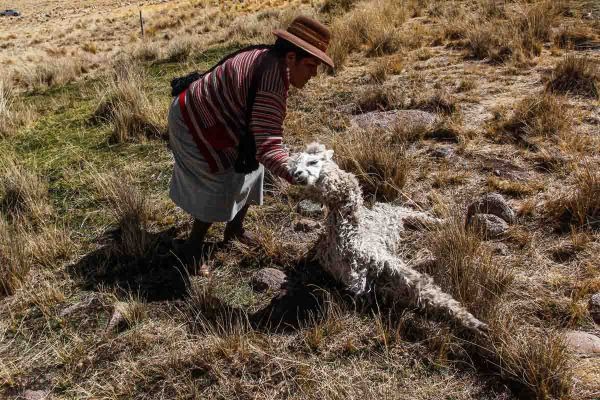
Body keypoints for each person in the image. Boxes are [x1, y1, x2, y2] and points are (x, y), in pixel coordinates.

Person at [167, 15, 334, 261]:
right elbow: (267, 147)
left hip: (219, 120)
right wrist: (300, 175)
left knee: (250, 167)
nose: (314, 74)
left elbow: (263, 140)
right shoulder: (271, 80)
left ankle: (234, 231)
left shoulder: (271, 60)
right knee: (217, 181)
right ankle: (191, 250)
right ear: (291, 58)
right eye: (311, 65)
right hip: (194, 121)